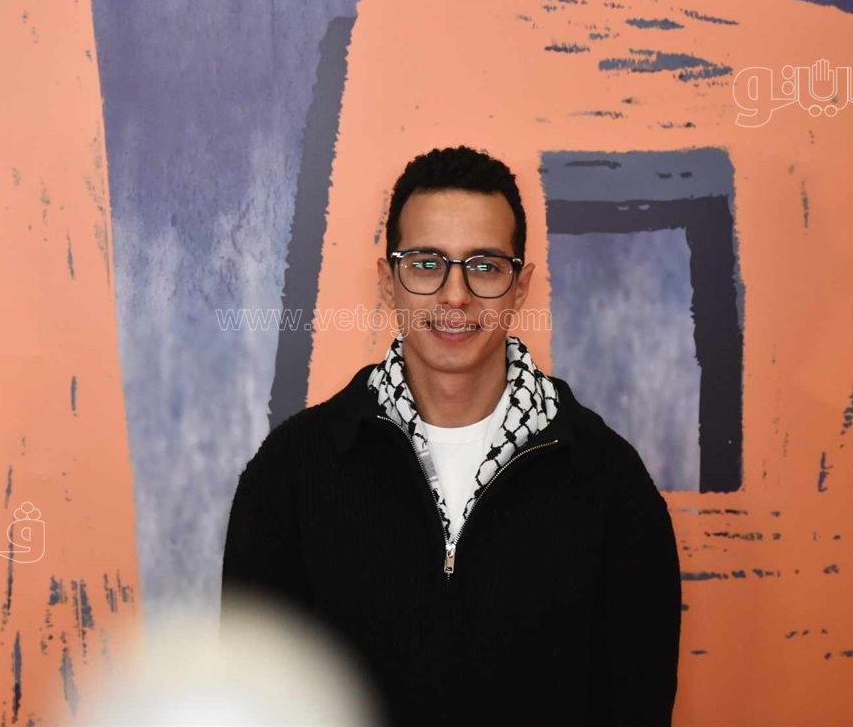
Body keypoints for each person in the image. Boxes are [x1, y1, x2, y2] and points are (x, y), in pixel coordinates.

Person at [222, 146, 682, 725]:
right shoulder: (290, 471)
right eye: (426, 263)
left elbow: (637, 707)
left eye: (484, 266)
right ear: (388, 281)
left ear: (520, 286)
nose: (455, 295)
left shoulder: (610, 481)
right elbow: (252, 699)